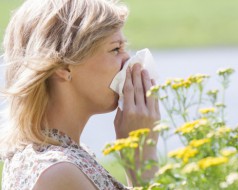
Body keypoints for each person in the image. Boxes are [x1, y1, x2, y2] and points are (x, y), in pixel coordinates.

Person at [0, 0, 160, 189]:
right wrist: (141, 156)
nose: (128, 60)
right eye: (115, 49)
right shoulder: (58, 172)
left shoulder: (64, 156)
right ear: (63, 66)